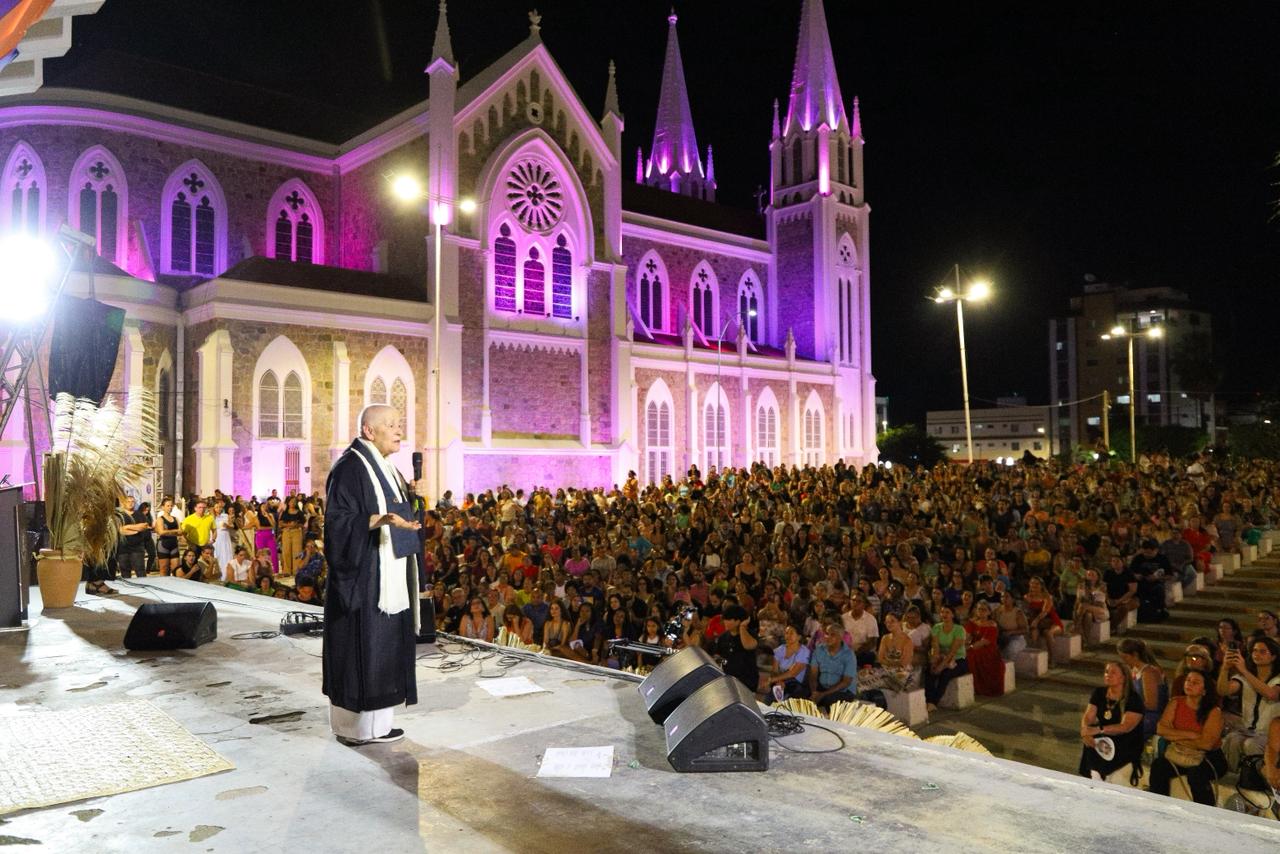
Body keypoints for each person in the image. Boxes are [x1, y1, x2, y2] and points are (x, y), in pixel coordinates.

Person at [322, 404, 424, 747]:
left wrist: (406, 511)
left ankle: (379, 725)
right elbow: (338, 522)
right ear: (369, 431)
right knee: (362, 648)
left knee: (385, 646)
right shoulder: (350, 468)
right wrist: (380, 520)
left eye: (400, 424)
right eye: (392, 425)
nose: (399, 431)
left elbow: (392, 514)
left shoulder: (386, 468)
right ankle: (355, 729)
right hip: (363, 577)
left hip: (388, 574)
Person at [1148, 670, 1226, 805]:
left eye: (1195, 683)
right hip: (1179, 751)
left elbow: (1206, 744)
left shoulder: (1214, 712)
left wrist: (1174, 736)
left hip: (1208, 756)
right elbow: (1160, 729)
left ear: (1204, 690)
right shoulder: (1176, 702)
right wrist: (1190, 735)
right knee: (1158, 766)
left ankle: (1205, 813)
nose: (1189, 684)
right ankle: (1159, 806)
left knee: (1197, 775)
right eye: (1188, 680)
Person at [1217, 636, 1280, 770]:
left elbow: (1271, 694)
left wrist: (1244, 670)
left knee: (1251, 744)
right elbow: (1223, 690)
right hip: (1248, 730)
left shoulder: (1277, 678)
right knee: (1231, 739)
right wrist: (1225, 668)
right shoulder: (1244, 677)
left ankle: (1257, 779)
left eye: (1263, 651)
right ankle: (1232, 777)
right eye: (1254, 651)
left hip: (1270, 734)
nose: (1257, 654)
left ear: (1273, 656)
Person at [1078, 661, 1145, 785]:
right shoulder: (1099, 693)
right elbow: (1088, 717)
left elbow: (1125, 727)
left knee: (1099, 738)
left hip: (1126, 739)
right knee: (1092, 739)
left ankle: (1096, 777)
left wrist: (1098, 730)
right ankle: (1094, 775)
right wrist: (1085, 732)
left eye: (1113, 672)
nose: (1108, 675)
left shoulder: (1133, 699)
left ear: (1123, 677)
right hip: (1105, 735)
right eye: (1106, 672)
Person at [1118, 638, 1168, 738]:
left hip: (1151, 716)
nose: (1124, 661)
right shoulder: (1134, 670)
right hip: (1138, 712)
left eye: (1126, 658)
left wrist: (1129, 709)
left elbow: (1151, 704)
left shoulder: (1149, 672)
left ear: (1135, 655)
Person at [808, 618, 858, 710]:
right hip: (822, 687)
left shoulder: (849, 654)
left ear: (840, 637)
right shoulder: (819, 650)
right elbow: (813, 675)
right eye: (827, 634)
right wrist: (814, 692)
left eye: (833, 635)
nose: (828, 637)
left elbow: (846, 682)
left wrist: (823, 694)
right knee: (802, 696)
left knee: (829, 700)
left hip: (843, 691)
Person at [926, 605, 968, 710]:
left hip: (958, 660)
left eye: (947, 612)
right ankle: (928, 700)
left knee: (945, 674)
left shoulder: (959, 629)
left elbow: (952, 652)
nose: (944, 615)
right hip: (941, 657)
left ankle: (933, 702)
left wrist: (942, 666)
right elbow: (935, 647)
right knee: (930, 671)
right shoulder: (937, 627)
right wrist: (935, 663)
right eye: (942, 612)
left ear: (953, 615)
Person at [713, 605, 759, 692]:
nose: (725, 622)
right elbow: (717, 655)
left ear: (738, 621)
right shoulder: (723, 637)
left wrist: (742, 627)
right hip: (728, 680)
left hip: (747, 681)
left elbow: (748, 646)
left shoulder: (751, 634)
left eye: (729, 619)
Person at [965, 600, 1004, 698]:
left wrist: (968, 647)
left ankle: (980, 687)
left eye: (984, 610)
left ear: (989, 612)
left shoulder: (992, 625)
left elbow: (982, 643)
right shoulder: (972, 622)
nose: (981, 612)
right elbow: (967, 637)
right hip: (972, 646)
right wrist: (965, 644)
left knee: (973, 655)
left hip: (988, 650)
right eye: (979, 609)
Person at [760, 624, 810, 700]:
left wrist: (771, 680)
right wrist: (779, 681)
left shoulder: (804, 651)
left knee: (788, 696)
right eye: (786, 633)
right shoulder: (779, 650)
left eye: (791, 633)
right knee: (771, 697)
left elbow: (793, 673)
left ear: (799, 637)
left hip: (797, 684)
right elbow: (775, 671)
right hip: (780, 681)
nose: (788, 636)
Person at [153, 496, 182, 576]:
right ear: (163, 507)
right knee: (164, 569)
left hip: (174, 544)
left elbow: (181, 532)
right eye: (168, 506)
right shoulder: (160, 519)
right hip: (163, 545)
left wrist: (168, 532)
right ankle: (163, 585)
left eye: (171, 505)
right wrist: (175, 531)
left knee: (176, 569)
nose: (170, 507)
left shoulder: (176, 519)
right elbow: (161, 532)